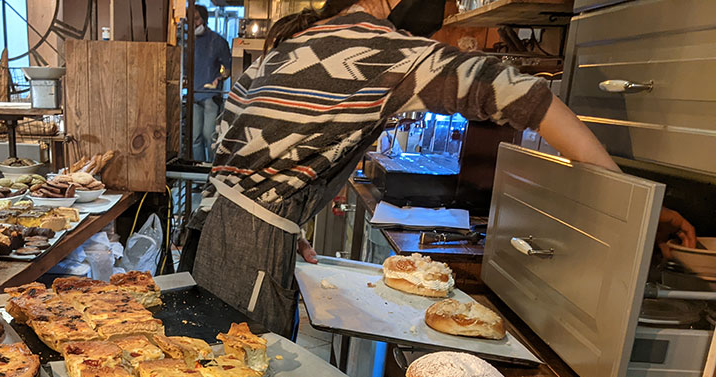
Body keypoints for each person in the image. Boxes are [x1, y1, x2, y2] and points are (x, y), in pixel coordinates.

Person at [185, 0, 696, 337]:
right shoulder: (387, 50)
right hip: (247, 256)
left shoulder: (282, 51)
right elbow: (523, 96)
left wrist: (275, 214)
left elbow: (229, 163)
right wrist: (628, 207)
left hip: (212, 240)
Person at [191, 4, 230, 163]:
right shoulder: (189, 43)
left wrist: (219, 78)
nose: (194, 24)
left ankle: (212, 173)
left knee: (209, 136)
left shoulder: (217, 41)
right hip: (193, 95)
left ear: (204, 19)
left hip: (210, 96)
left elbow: (227, 69)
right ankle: (198, 174)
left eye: (197, 19)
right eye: (191, 20)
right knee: (195, 138)